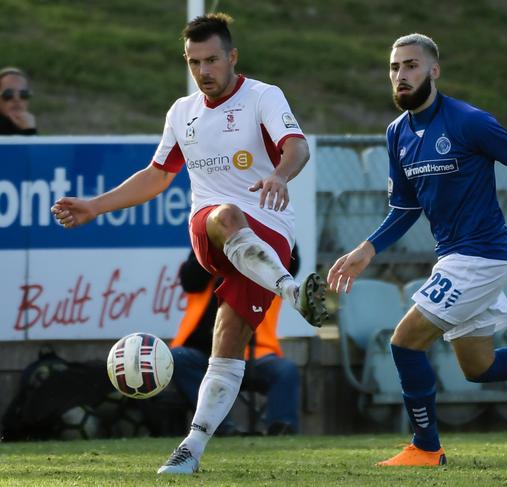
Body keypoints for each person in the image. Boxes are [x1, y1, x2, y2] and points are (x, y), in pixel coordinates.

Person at [51, 13, 327, 474]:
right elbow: (157, 175)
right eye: (194, 61)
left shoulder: (263, 96)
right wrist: (95, 206)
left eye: (212, 60)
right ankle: (293, 292)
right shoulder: (183, 113)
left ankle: (191, 449)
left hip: (272, 234)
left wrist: (279, 175)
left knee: (230, 336)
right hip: (212, 228)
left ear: (232, 57)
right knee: (226, 214)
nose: (204, 71)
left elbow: (297, 147)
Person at [327, 33, 507, 467]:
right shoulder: (397, 134)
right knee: (478, 367)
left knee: (405, 343)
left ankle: (426, 448)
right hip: (455, 258)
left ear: (433, 70)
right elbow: (404, 209)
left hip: (481, 258)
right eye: (394, 68)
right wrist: (367, 248)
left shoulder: (469, 121)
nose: (401, 75)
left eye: (411, 66)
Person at [171, 247, 301, 435]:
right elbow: (190, 280)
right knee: (177, 358)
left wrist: (257, 237)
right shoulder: (208, 245)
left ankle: (281, 430)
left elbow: (291, 264)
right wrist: (222, 246)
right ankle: (221, 427)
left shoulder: (269, 250)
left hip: (253, 355)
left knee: (286, 371)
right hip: (204, 354)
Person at [0, 67, 37, 135]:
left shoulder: (27, 125)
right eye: (9, 94)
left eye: (23, 94)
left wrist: (29, 130)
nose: (17, 99)